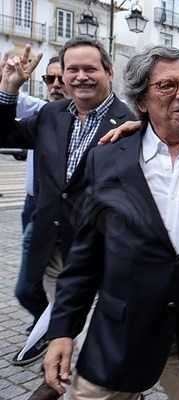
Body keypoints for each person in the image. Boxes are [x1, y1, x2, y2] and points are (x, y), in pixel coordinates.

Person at [43, 45, 179, 400]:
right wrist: (63, 330)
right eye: (167, 86)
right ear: (141, 101)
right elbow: (85, 256)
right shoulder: (107, 160)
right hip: (119, 337)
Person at [0, 38, 136, 400]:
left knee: (87, 339)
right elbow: (4, 134)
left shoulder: (131, 123)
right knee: (65, 328)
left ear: (109, 72)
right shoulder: (52, 114)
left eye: (90, 69)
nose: (80, 77)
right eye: (72, 69)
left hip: (102, 259)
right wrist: (9, 89)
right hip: (54, 253)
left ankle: (69, 387)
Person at [4, 54, 69, 367]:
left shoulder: (59, 114)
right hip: (31, 205)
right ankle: (49, 323)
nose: (54, 85)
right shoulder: (42, 112)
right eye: (48, 79)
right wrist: (9, 81)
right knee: (38, 280)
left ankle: (53, 327)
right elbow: (10, 110)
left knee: (28, 286)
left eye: (60, 78)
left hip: (55, 211)